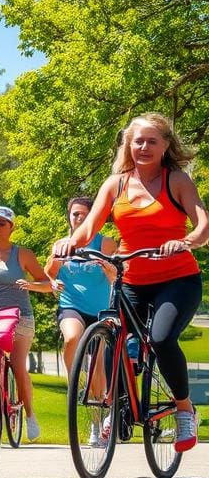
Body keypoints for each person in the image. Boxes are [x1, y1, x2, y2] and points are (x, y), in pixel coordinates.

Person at [52, 113, 208, 452]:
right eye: (138, 141)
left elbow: (202, 224)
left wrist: (187, 241)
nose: (144, 147)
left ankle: (184, 410)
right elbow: (90, 226)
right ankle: (118, 405)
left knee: (162, 339)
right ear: (128, 145)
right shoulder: (116, 183)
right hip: (131, 279)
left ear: (166, 145)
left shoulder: (176, 180)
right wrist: (71, 242)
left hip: (177, 279)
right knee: (113, 337)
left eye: (152, 141)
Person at [0, 205, 53, 441]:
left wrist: (30, 285)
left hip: (20, 317)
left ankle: (29, 415)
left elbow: (47, 284)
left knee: (18, 364)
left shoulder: (23, 254)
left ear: (11, 227)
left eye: (1, 224)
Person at [44, 197, 116, 377]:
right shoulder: (61, 245)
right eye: (75, 214)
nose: (80, 218)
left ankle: (99, 400)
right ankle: (73, 384)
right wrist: (55, 267)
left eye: (85, 214)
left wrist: (107, 267)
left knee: (98, 371)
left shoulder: (105, 243)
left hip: (100, 310)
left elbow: (115, 278)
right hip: (71, 306)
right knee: (71, 338)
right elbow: (49, 273)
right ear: (69, 216)